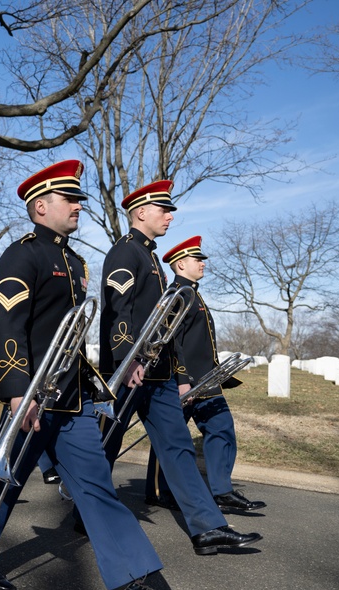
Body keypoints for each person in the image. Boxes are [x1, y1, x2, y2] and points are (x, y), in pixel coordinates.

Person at [0, 160, 192, 590]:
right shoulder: (21, 255)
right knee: (4, 482)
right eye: (70, 200)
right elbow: (8, 326)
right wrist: (16, 393)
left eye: (79, 199)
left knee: (98, 488)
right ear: (40, 206)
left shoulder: (75, 260)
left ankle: (128, 586)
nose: (78, 207)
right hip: (30, 396)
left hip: (72, 397)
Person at [99, 180, 261, 556]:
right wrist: (127, 360)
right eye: (164, 210)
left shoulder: (149, 255)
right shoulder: (126, 253)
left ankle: (208, 529)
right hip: (127, 373)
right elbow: (116, 312)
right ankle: (86, 513)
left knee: (178, 449)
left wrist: (175, 373)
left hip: (157, 375)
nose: (170, 216)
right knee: (105, 447)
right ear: (141, 212)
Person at [142, 236, 266, 513]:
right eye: (197, 260)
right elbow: (170, 342)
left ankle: (221, 490)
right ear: (181, 263)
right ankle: (158, 490)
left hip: (207, 379)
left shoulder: (193, 292)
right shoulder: (176, 295)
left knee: (222, 427)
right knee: (169, 437)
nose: (202, 264)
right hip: (182, 381)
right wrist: (182, 379)